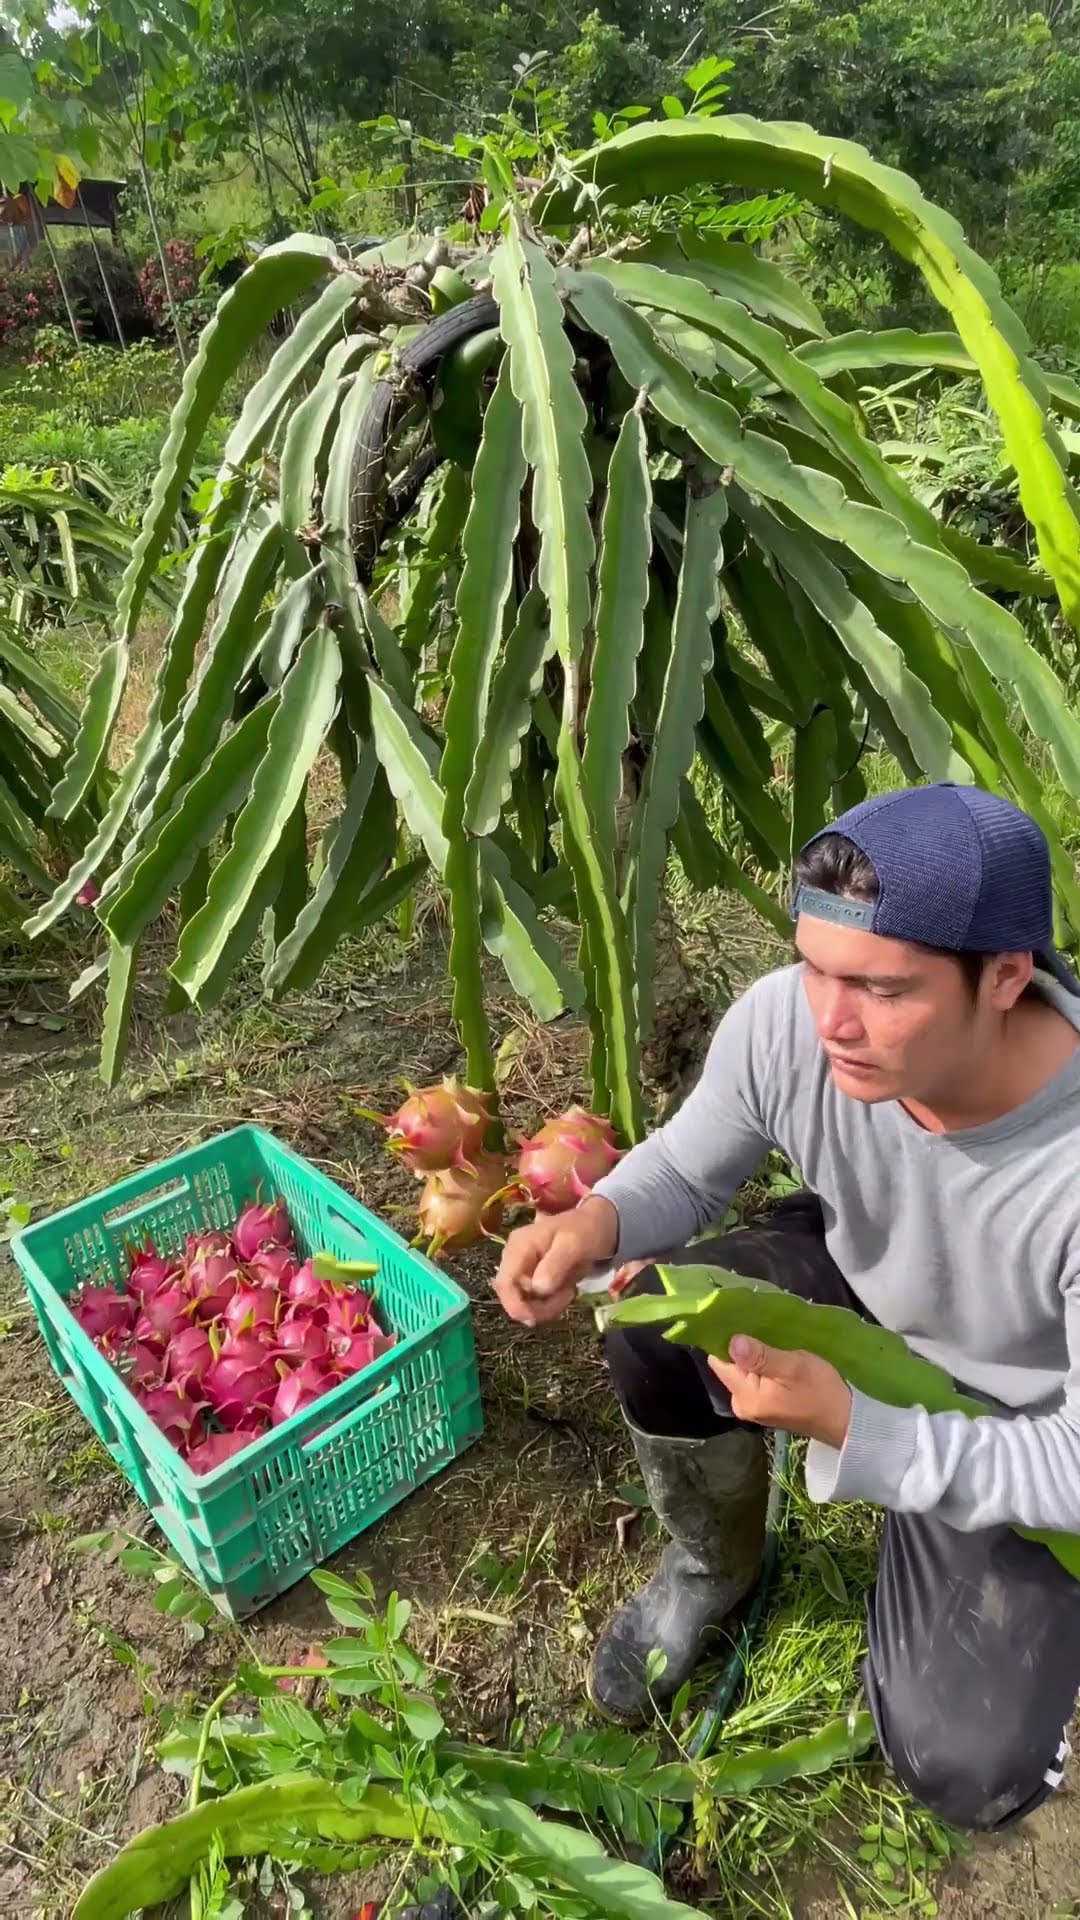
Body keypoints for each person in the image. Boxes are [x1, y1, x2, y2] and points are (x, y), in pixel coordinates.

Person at [494, 783, 1080, 1832]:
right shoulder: (791, 1024)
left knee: (965, 1764)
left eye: (882, 989)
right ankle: (711, 1563)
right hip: (874, 1286)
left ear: (1005, 978)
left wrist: (864, 1430)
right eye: (814, 966)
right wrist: (597, 1221)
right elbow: (686, 1163)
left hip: (1020, 1413)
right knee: (654, 1316)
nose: (830, 1019)